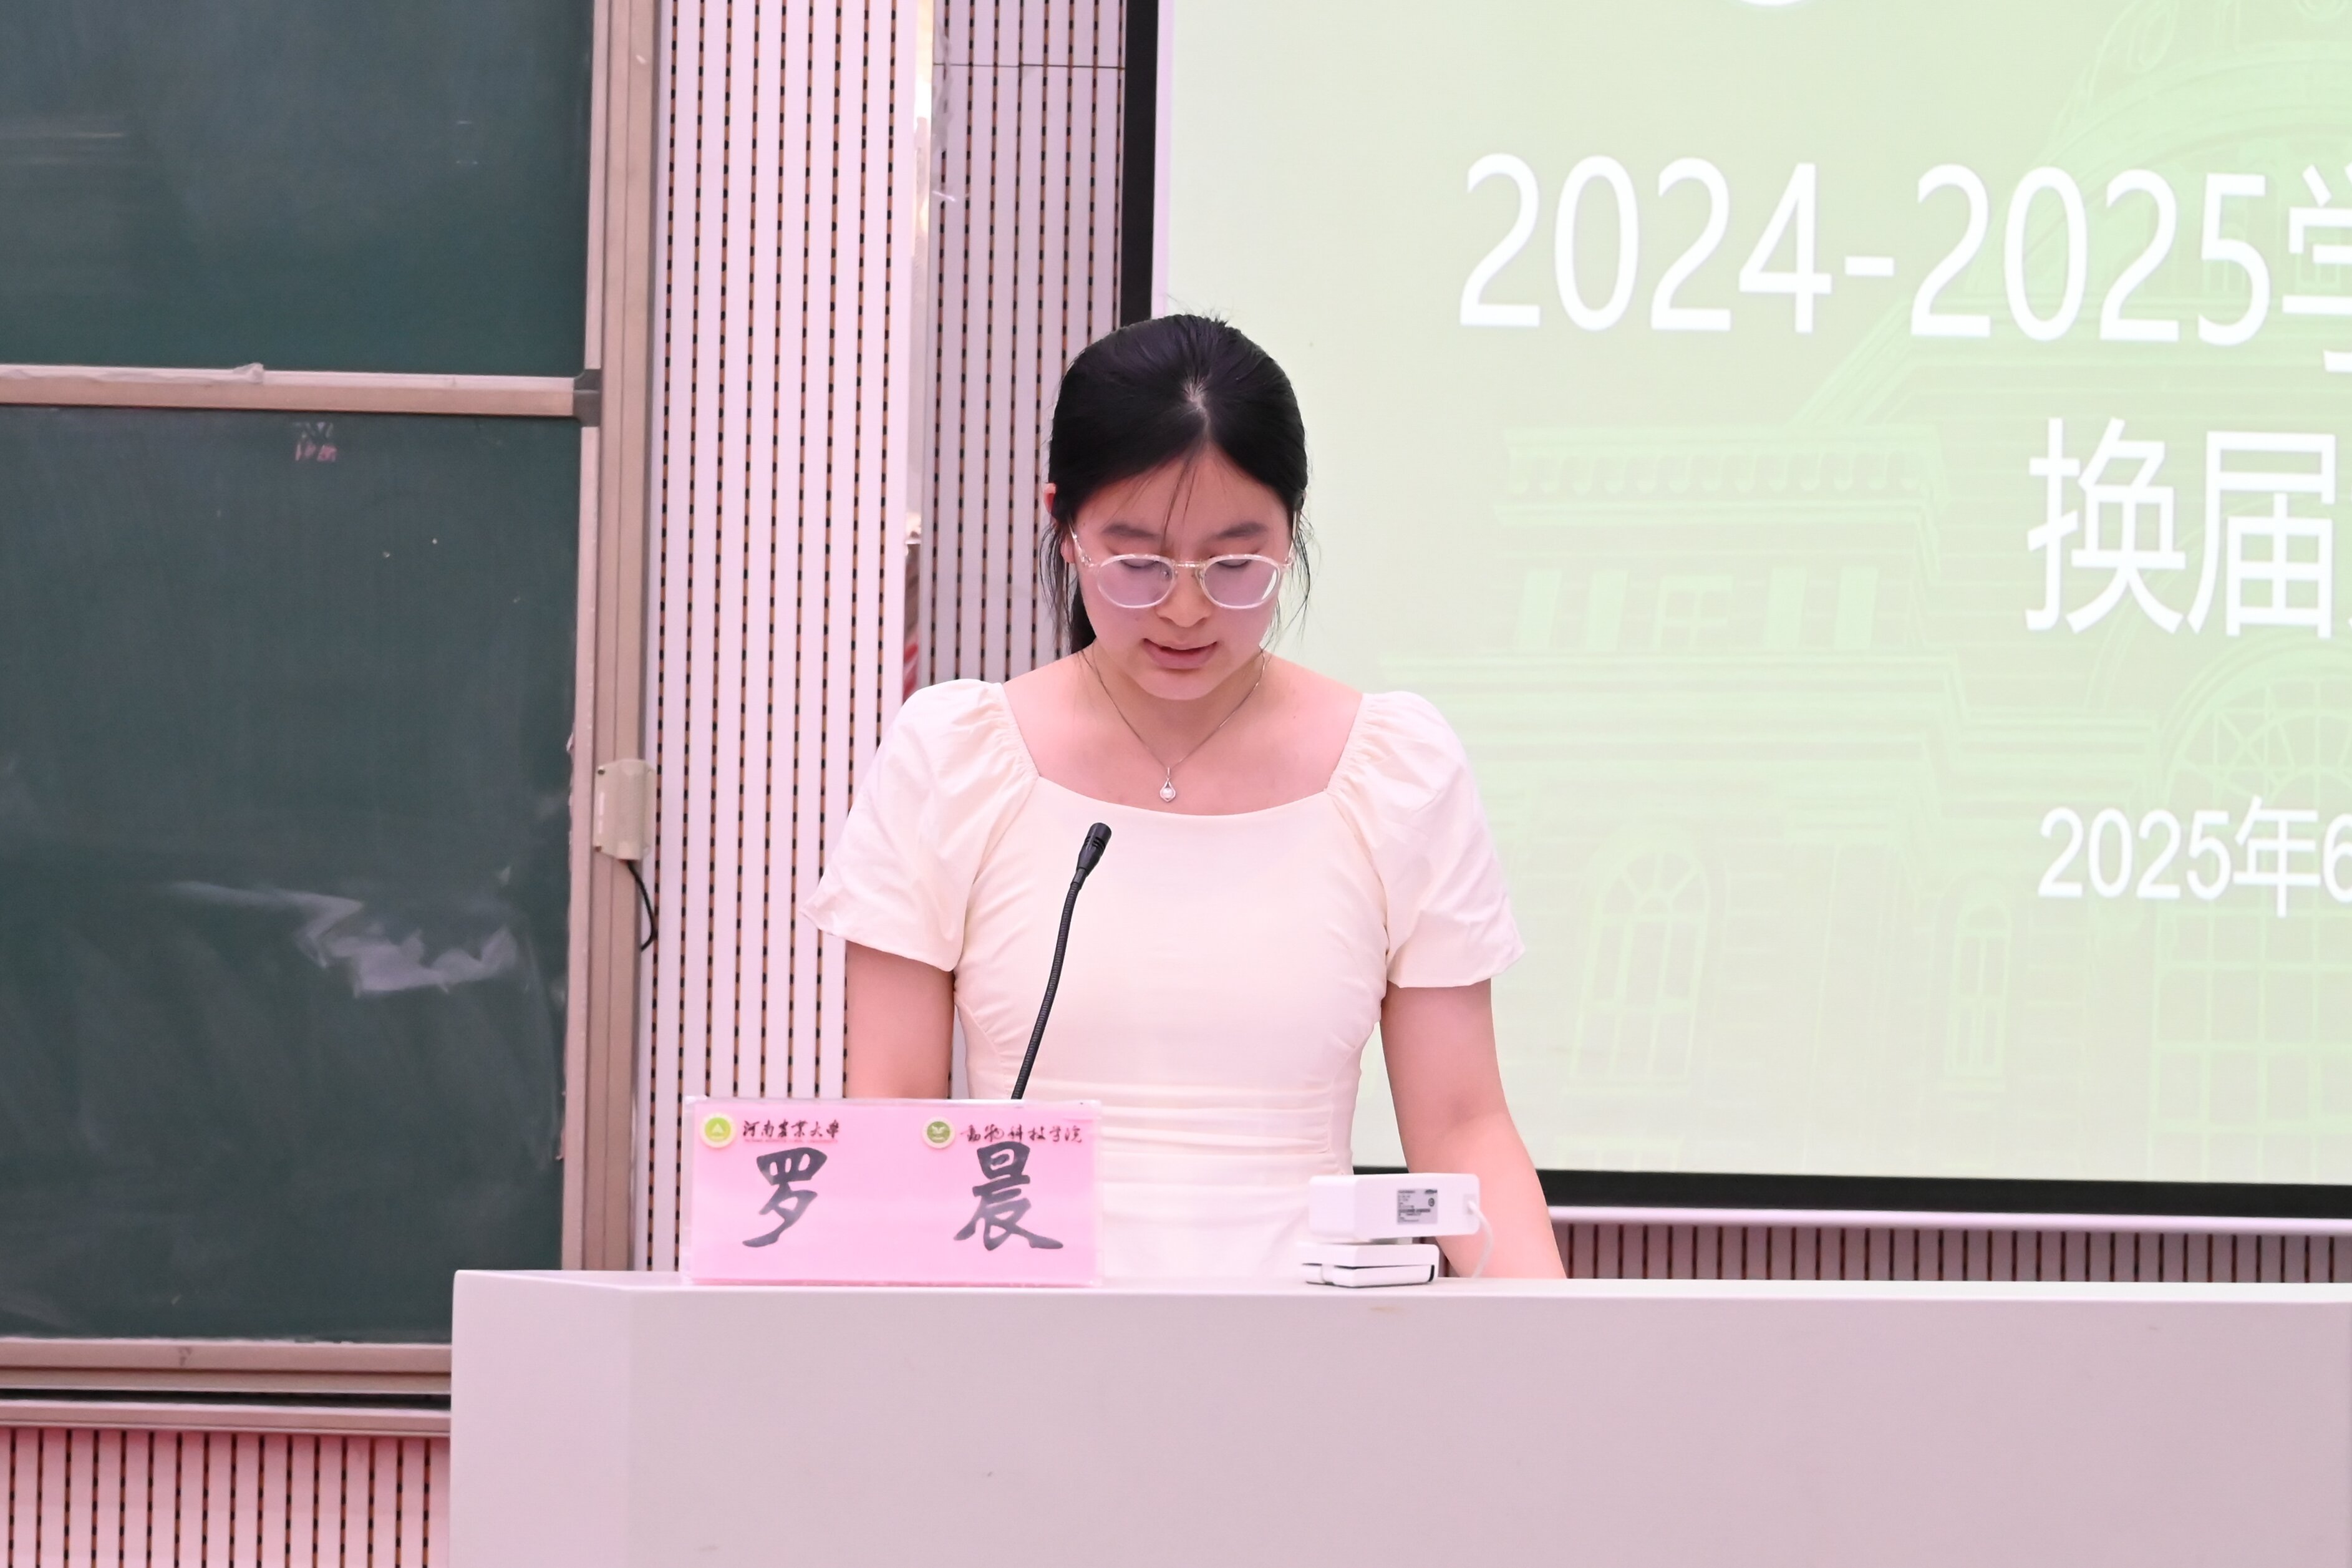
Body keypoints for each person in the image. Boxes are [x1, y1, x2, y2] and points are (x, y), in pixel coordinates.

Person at [804, 315, 1563, 1280]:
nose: (1187, 608)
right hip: (1025, 1340)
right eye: (1140, 562)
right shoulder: (954, 761)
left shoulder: (1394, 772)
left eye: (1236, 564)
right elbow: (894, 1113)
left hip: (1316, 1340)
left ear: (1293, 529)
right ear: (1064, 527)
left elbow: (1462, 1125)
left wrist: (1559, 1354)